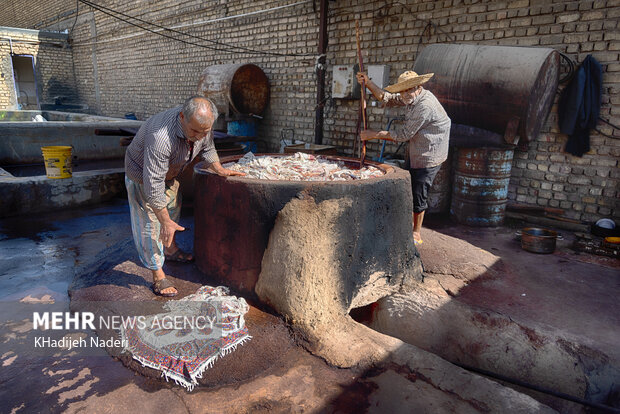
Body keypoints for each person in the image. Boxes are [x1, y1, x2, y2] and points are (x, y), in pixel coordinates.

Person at [124, 96, 244, 297]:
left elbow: (208, 146)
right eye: (194, 131)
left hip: (170, 172)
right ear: (182, 117)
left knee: (172, 209)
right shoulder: (161, 137)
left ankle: (170, 250)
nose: (199, 136)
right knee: (151, 224)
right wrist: (164, 221)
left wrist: (218, 169)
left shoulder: (202, 126)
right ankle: (158, 275)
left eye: (204, 131)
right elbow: (153, 185)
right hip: (143, 177)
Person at [356, 70, 450, 245]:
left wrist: (374, 134)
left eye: (409, 90)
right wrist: (368, 83)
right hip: (417, 147)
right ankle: (407, 223)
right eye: (402, 91)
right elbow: (387, 98)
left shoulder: (425, 105)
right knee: (411, 184)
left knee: (419, 191)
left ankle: (416, 232)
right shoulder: (409, 97)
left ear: (419, 87)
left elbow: (405, 134)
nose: (405, 95)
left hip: (430, 152)